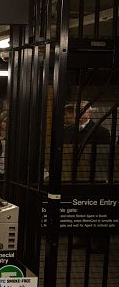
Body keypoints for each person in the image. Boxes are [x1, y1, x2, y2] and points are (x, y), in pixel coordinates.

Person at [63, 101, 110, 252]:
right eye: (77, 110)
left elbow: (104, 157)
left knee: (95, 208)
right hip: (74, 175)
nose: (79, 113)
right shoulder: (68, 130)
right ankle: (80, 236)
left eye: (83, 110)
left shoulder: (101, 132)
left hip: (94, 176)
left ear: (89, 113)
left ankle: (98, 241)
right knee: (78, 207)